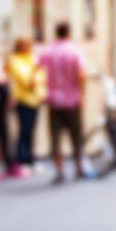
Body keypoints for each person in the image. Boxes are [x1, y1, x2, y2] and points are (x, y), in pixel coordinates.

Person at [37, 22, 86, 184]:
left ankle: (60, 171)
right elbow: (81, 75)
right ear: (69, 33)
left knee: (55, 136)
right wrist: (81, 95)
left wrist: (42, 90)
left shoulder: (47, 51)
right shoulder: (74, 51)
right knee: (76, 135)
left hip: (54, 100)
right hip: (72, 99)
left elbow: (36, 70)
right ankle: (79, 167)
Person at [6, 37, 43, 178]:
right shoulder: (15, 60)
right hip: (23, 100)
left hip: (34, 99)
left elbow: (41, 78)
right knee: (24, 130)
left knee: (31, 131)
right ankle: (22, 160)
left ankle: (30, 159)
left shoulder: (31, 58)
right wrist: (35, 72)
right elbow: (26, 81)